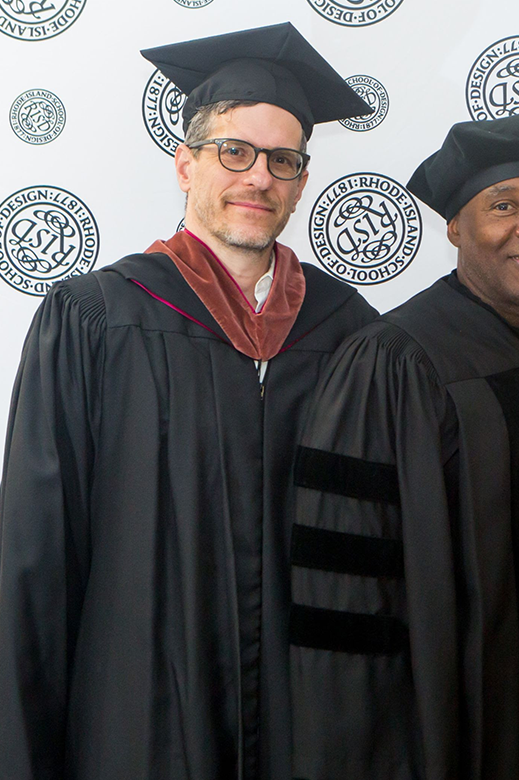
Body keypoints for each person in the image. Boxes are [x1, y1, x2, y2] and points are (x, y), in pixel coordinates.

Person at [0, 23, 377, 780]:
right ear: (185, 164)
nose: (258, 177)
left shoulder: (353, 336)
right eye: (234, 151)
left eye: (282, 159)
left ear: (303, 180)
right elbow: (37, 559)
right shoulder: (98, 318)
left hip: (310, 727)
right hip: (139, 718)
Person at [288, 112, 519, 780]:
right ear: (454, 228)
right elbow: (342, 591)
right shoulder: (391, 363)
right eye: (503, 206)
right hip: (444, 730)